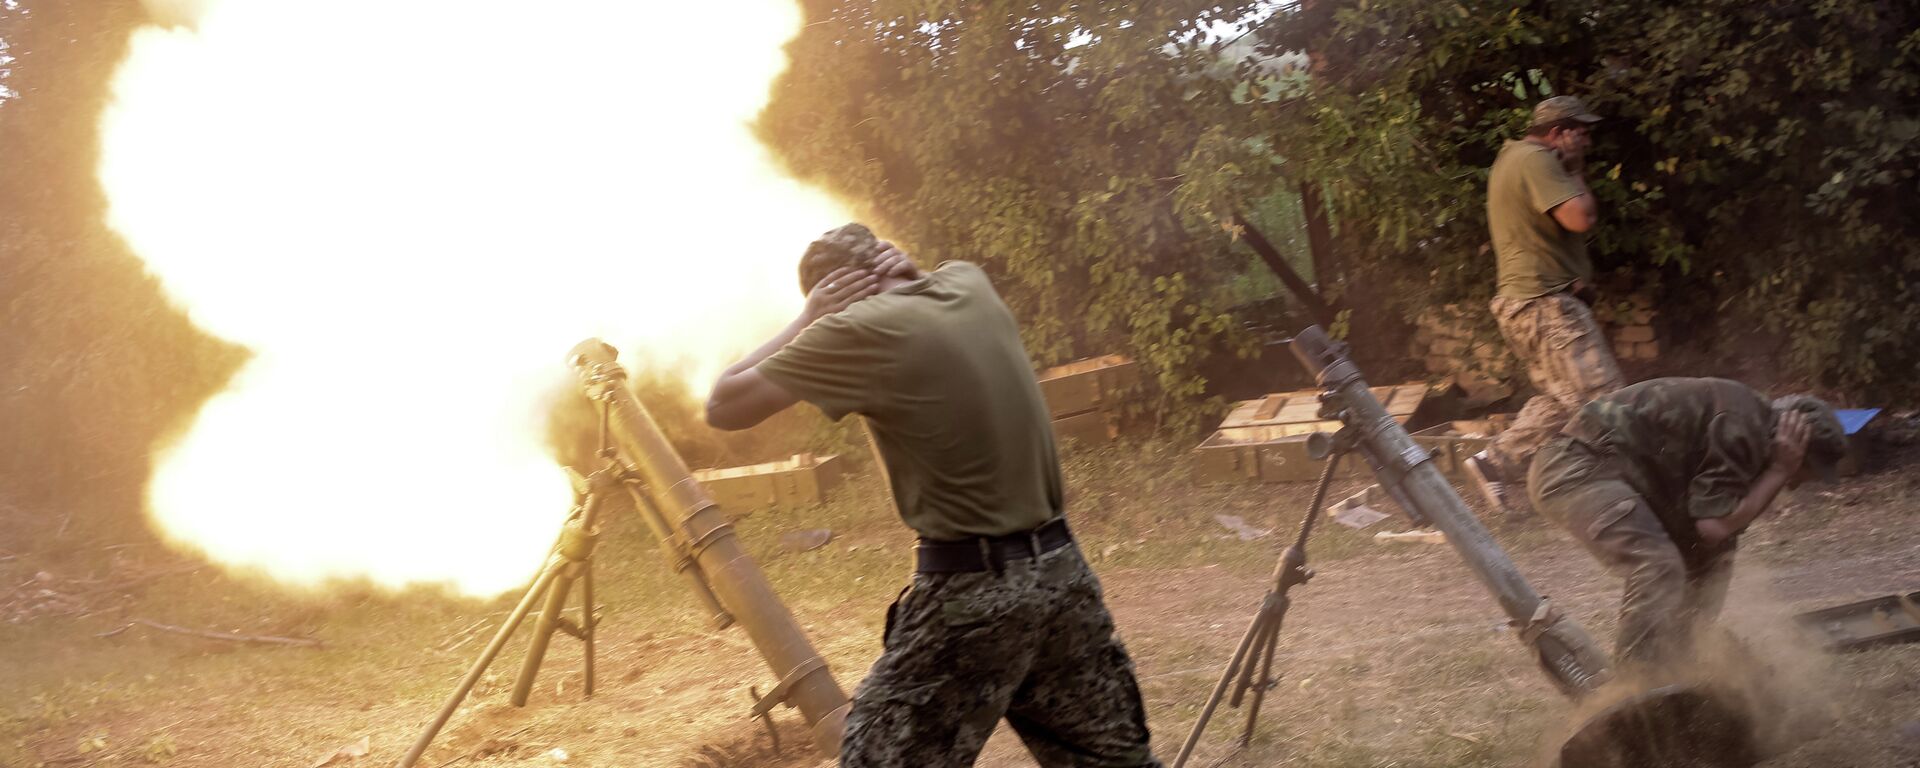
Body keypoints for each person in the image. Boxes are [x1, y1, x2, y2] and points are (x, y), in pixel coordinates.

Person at [704, 224, 1161, 768]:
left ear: (838, 291)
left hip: (972, 596)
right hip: (1063, 575)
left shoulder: (853, 331)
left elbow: (724, 404)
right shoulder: (970, 284)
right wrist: (908, 269)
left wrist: (809, 318)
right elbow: (924, 284)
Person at [1527, 378, 1847, 672]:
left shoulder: (1752, 427)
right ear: (1795, 446)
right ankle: (1636, 694)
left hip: (1615, 473)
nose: (1799, 482)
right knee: (1659, 566)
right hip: (1574, 467)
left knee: (1711, 565)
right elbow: (1714, 526)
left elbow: (1714, 537)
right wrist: (1778, 471)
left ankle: (1685, 671)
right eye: (1806, 471)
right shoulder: (1745, 427)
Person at [1465, 95, 1625, 518]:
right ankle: (1635, 492)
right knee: (1607, 401)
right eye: (1581, 129)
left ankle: (1491, 462)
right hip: (1544, 305)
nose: (1587, 138)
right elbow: (1580, 218)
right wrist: (1574, 170)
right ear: (1558, 132)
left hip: (1528, 305)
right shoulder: (1538, 160)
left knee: (1560, 402)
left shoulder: (1513, 157)